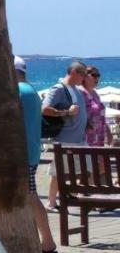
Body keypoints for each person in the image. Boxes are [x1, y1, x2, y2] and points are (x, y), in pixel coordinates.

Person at [15, 56, 57, 253]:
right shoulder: (31, 90)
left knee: (30, 197)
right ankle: (46, 241)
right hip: (31, 150)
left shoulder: (18, 91)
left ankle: (46, 241)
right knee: (30, 196)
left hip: (21, 153)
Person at [43, 61, 88, 210]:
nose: (85, 78)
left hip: (78, 139)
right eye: (83, 74)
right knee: (58, 173)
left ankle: (70, 194)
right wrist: (67, 112)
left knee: (82, 169)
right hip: (65, 139)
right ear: (74, 72)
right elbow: (45, 109)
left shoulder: (75, 89)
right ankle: (51, 202)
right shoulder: (59, 88)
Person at [81, 65, 112, 147]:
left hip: (99, 137)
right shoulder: (80, 93)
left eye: (98, 75)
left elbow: (100, 116)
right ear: (84, 76)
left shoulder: (95, 94)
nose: (97, 78)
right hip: (85, 138)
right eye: (94, 75)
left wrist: (108, 131)